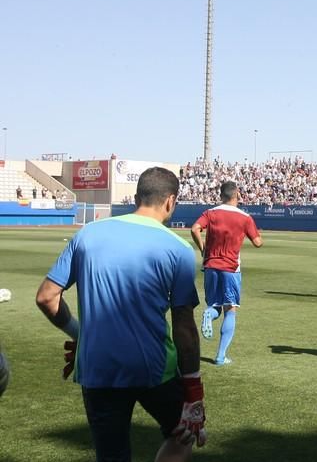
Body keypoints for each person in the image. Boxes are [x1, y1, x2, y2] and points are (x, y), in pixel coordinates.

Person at [35, 167, 206, 462]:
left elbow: (46, 297)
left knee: (111, 454)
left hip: (97, 367)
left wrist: (81, 336)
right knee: (184, 432)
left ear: (136, 197)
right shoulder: (178, 249)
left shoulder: (87, 234)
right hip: (154, 368)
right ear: (171, 201)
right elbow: (184, 326)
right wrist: (193, 387)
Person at [191, 181, 263, 366]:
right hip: (231, 268)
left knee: (214, 305)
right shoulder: (244, 217)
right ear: (237, 194)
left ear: (221, 194)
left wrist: (203, 249)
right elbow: (257, 242)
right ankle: (220, 356)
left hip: (211, 266)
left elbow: (195, 229)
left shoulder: (211, 213)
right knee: (230, 310)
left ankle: (208, 313)